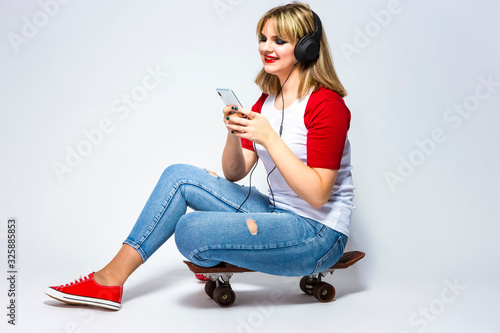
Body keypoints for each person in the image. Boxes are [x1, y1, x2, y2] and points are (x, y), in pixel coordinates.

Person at [45, 2, 355, 311]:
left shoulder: (326, 106)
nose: (266, 47)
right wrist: (234, 133)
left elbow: (317, 195)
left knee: (190, 230)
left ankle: (219, 248)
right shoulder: (267, 102)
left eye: (278, 41)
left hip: (316, 235)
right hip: (276, 212)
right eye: (262, 38)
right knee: (179, 175)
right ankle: (109, 280)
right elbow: (235, 172)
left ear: (306, 48)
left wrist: (269, 139)